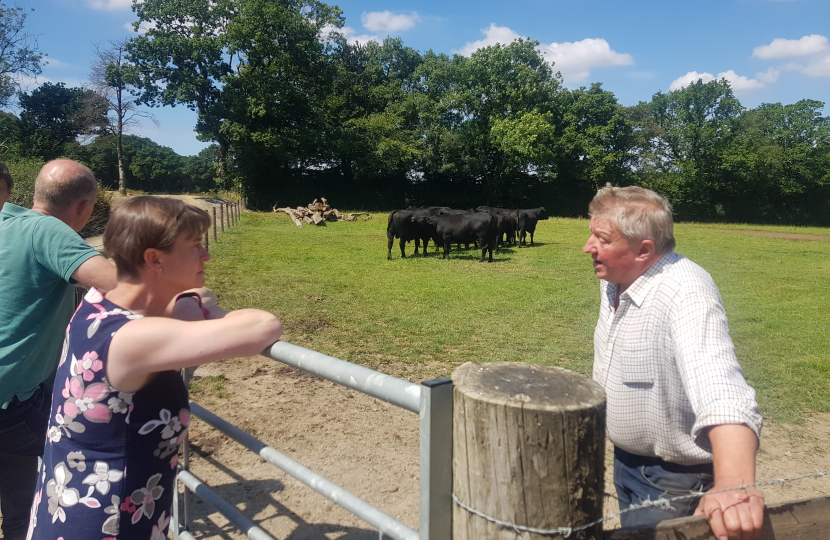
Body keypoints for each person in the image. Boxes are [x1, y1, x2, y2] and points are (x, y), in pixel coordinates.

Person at [27, 196, 284, 540]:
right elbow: (262, 327)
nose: (206, 255)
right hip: (109, 522)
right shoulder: (135, 337)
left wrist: (190, 301)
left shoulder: (97, 304)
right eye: (195, 246)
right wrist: (203, 309)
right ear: (154, 259)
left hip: (71, 508)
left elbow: (196, 297)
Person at [582, 185, 764, 540]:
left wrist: (733, 482)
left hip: (675, 480)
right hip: (626, 462)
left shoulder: (686, 293)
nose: (588, 247)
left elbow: (721, 386)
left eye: (601, 239)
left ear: (644, 250)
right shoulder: (617, 279)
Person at [0, 160, 118, 540]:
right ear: (83, 207)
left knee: (16, 491)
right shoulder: (49, 229)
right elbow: (118, 284)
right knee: (95, 458)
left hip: (11, 397)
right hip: (13, 400)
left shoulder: (7, 223)